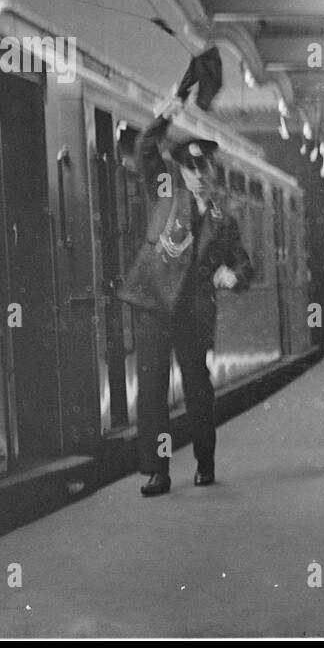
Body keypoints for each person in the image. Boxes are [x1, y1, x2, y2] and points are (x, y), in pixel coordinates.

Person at [116, 93, 254, 496]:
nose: (198, 174)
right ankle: (156, 472)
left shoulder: (222, 221)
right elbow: (144, 150)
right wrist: (163, 116)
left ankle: (205, 462)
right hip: (154, 308)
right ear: (180, 171)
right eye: (191, 168)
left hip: (193, 313)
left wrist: (233, 274)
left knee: (198, 390)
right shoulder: (163, 195)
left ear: (212, 171)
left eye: (204, 167)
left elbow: (246, 266)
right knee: (153, 390)